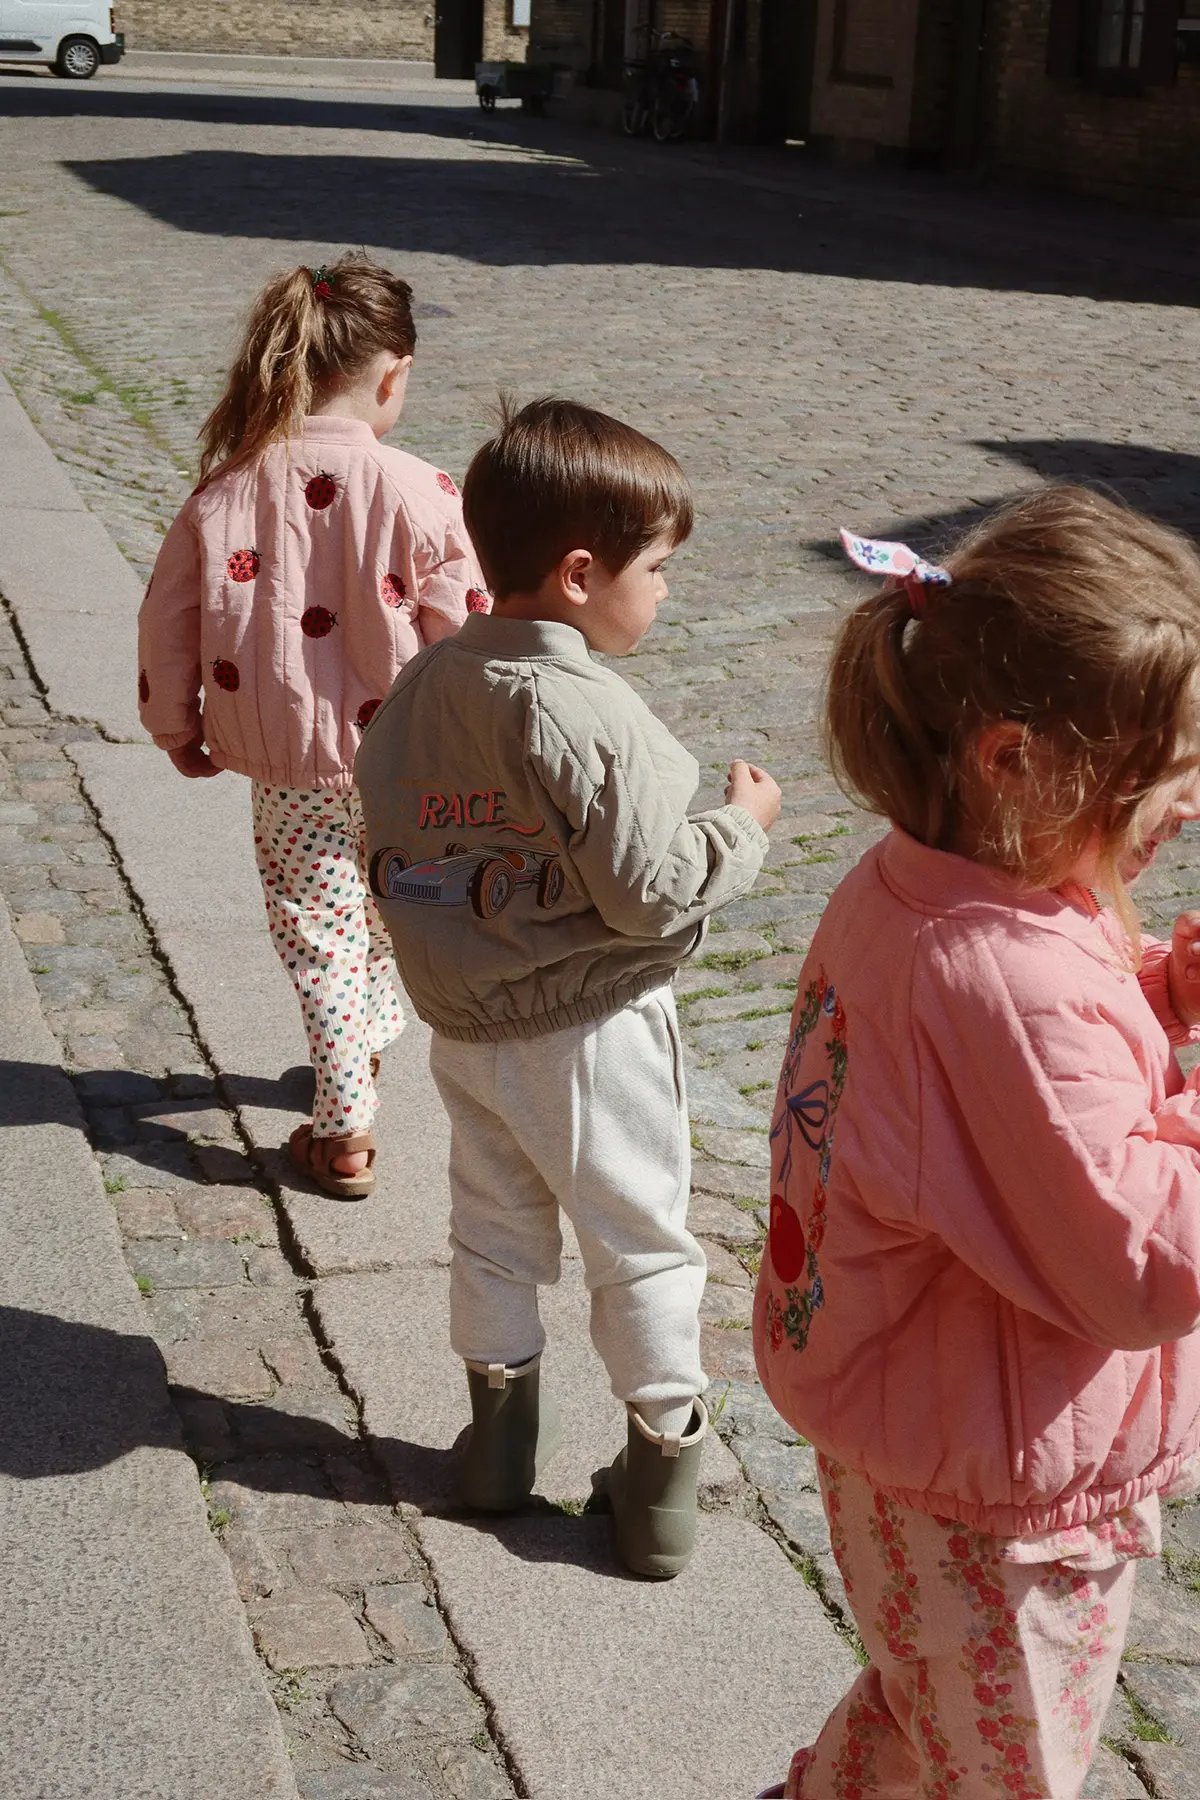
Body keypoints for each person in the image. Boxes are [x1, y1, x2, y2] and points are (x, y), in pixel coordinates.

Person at [753, 485, 1200, 1800]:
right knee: (1004, 1770)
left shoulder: (937, 888)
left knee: (931, 1705)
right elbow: (1139, 1263)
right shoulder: (1007, 973)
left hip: (916, 1427)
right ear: (1015, 760)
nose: (1189, 802)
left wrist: (1163, 994)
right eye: (1166, 772)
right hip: (998, 1501)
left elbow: (993, 1114)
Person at [356, 397, 781, 1576]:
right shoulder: (584, 705)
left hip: (465, 1030)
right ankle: (659, 1494)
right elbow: (649, 890)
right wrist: (739, 827)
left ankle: (496, 1454)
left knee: (492, 1234)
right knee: (639, 1243)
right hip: (590, 1030)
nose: (667, 590)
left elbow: (384, 820)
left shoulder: (427, 683)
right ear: (583, 573)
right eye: (660, 567)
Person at [137, 253, 486, 1199]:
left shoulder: (226, 490)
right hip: (408, 771)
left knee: (318, 933)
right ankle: (355, 1077)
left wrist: (178, 726)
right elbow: (466, 631)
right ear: (392, 373)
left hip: (291, 772)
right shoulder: (424, 490)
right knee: (384, 922)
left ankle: (344, 1125)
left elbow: (169, 620)